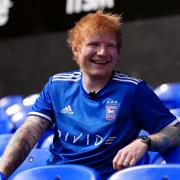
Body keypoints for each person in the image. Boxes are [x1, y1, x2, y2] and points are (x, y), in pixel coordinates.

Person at [0, 10, 180, 179]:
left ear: (117, 52)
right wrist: (2, 172)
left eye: (110, 46)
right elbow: (28, 131)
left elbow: (176, 130)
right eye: (94, 44)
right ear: (76, 50)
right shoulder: (56, 86)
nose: (102, 52)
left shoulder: (133, 90)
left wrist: (144, 141)